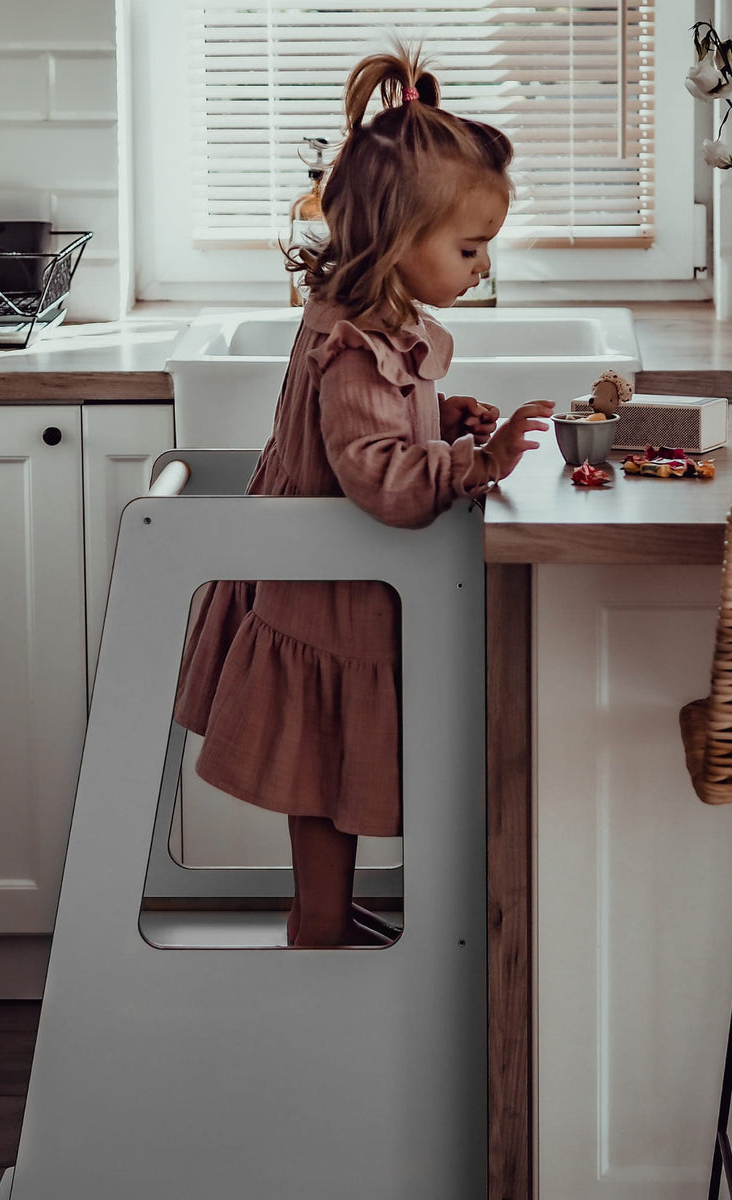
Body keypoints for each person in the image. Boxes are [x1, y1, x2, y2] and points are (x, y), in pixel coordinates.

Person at [174, 42, 553, 947]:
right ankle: (317, 923)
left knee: (325, 761)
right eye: (469, 248)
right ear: (396, 241)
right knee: (319, 761)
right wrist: (477, 462)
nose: (481, 267)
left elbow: (374, 430)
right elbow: (376, 474)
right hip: (326, 594)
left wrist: (443, 414)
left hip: (330, 586)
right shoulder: (358, 346)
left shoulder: (372, 324)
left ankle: (326, 914)